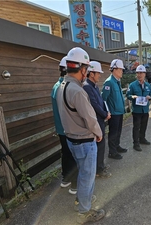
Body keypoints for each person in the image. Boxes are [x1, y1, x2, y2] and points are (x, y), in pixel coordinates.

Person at [56, 47, 105, 224]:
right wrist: (99, 133)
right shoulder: (77, 91)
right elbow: (90, 118)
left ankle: (82, 199)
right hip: (84, 140)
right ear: (82, 69)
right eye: (87, 68)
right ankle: (84, 211)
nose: (88, 72)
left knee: (82, 173)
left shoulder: (62, 86)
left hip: (71, 139)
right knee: (87, 176)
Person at [51, 56, 78, 194]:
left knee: (66, 154)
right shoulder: (65, 87)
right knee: (73, 155)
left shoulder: (56, 86)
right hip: (68, 128)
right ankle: (74, 185)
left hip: (60, 128)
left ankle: (65, 179)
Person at [83, 61, 112, 178]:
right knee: (99, 145)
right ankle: (99, 169)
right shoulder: (87, 87)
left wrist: (106, 111)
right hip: (95, 121)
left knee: (101, 145)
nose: (100, 75)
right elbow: (94, 105)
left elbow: (101, 102)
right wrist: (105, 114)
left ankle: (100, 166)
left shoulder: (93, 86)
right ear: (91, 74)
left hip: (100, 119)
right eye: (98, 73)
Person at [101, 59, 127, 160]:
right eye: (120, 69)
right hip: (113, 113)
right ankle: (112, 152)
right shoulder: (109, 82)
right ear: (115, 69)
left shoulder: (117, 82)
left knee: (118, 131)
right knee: (113, 132)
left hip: (119, 112)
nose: (122, 71)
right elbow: (104, 99)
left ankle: (117, 146)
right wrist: (107, 112)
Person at [126, 65, 151, 151]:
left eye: (141, 73)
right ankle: (136, 143)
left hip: (145, 110)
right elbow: (128, 95)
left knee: (144, 126)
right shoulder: (132, 85)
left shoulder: (148, 85)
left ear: (144, 74)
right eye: (137, 73)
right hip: (137, 110)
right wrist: (132, 96)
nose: (139, 75)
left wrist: (150, 97)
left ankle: (142, 139)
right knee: (136, 127)